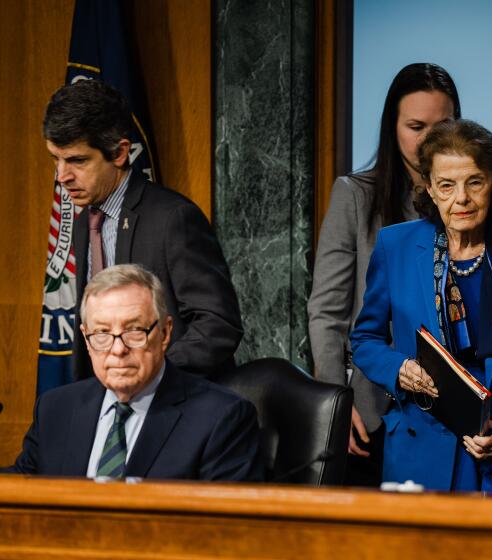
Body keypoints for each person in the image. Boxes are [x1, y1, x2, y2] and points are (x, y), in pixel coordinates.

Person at [350, 119, 492, 495]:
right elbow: (365, 339)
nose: (462, 199)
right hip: (422, 454)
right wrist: (399, 369)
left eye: (475, 182)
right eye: (447, 185)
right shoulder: (396, 247)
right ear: (429, 188)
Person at [308, 63, 460, 486]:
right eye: (416, 125)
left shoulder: (471, 201)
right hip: (372, 410)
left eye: (442, 124)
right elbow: (328, 312)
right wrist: (334, 403)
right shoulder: (356, 196)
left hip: (452, 413)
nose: (429, 139)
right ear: (392, 127)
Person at [42, 79, 243, 381]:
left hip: (177, 405)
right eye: (56, 160)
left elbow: (219, 324)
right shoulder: (84, 223)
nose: (62, 177)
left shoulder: (173, 218)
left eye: (77, 161)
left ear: (120, 153)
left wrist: (150, 375)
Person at [7, 264, 263, 481]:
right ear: (86, 339)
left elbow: (226, 529)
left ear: (164, 333)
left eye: (134, 331)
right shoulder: (55, 409)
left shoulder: (221, 418)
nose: (118, 349)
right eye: (102, 333)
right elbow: (19, 490)